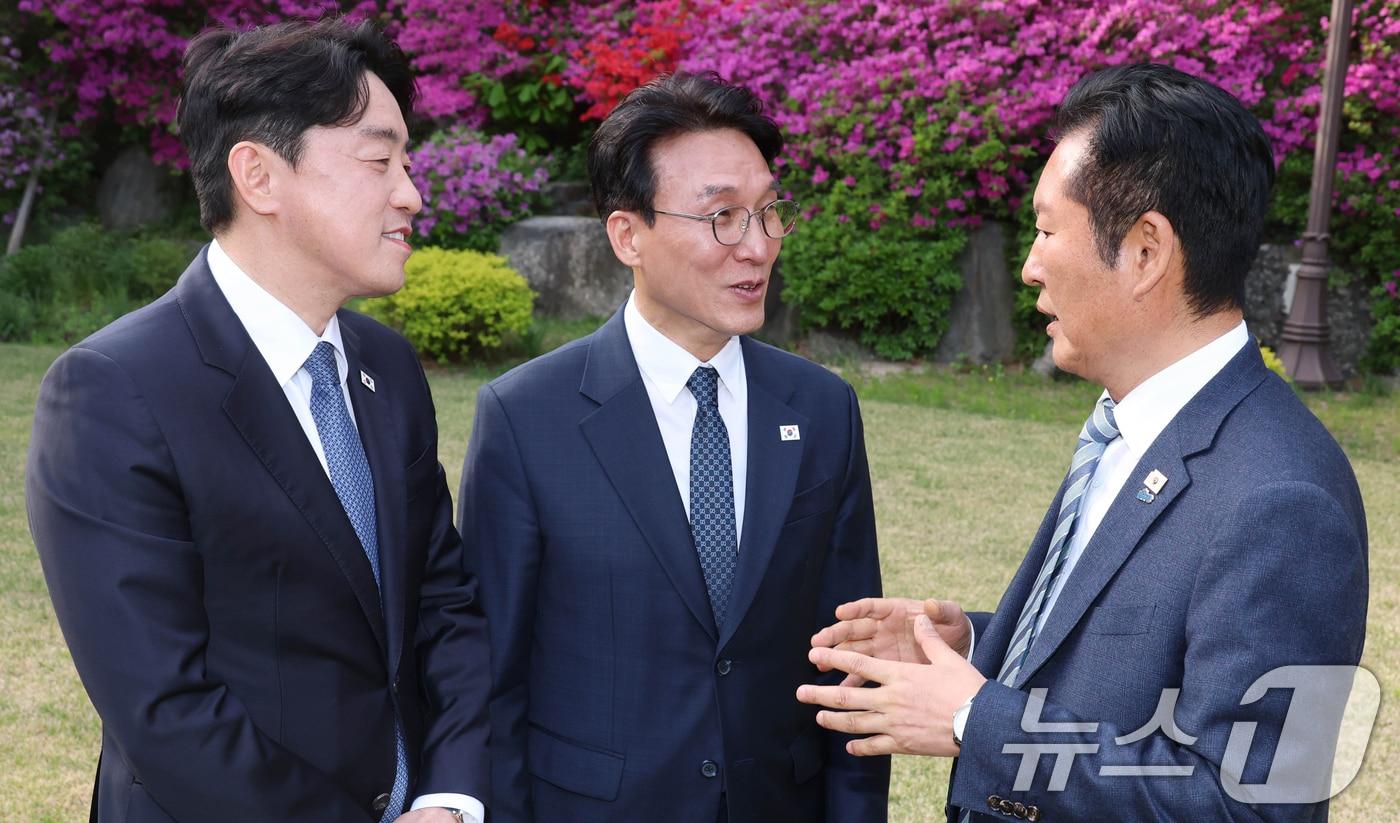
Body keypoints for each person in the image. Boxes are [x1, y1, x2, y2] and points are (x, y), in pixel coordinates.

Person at [798, 63, 1368, 822]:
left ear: (1145, 251)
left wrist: (977, 719)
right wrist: (972, 649)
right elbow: (1123, 667)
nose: (1030, 267)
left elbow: (1253, 806)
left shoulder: (1283, 496)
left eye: (1043, 229)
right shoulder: (1128, 427)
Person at [26, 19, 489, 823]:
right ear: (259, 177)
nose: (411, 192)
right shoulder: (113, 391)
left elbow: (443, 605)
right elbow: (164, 708)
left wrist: (449, 798)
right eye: (380, 161)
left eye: (406, 163)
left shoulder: (389, 368)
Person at [458, 72, 889, 823]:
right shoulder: (526, 418)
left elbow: (852, 664)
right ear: (628, 234)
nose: (756, 245)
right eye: (722, 216)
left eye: (768, 212)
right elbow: (491, 683)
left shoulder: (822, 410)